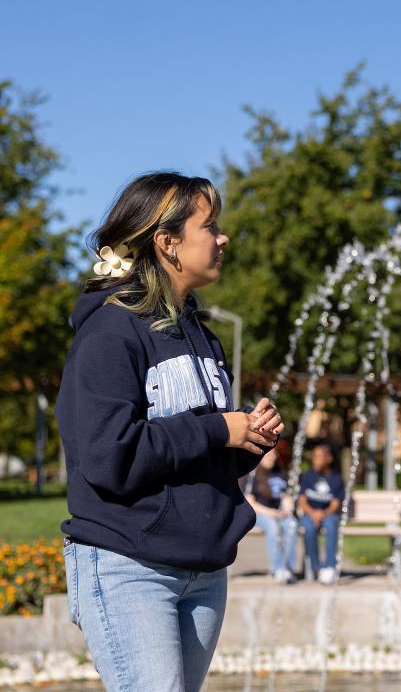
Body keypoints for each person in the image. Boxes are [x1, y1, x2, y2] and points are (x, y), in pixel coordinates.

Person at [56, 172, 284, 692]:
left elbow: (196, 453)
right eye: (211, 227)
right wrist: (215, 429)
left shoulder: (202, 336)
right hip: (129, 565)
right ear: (168, 243)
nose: (223, 239)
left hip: (203, 569)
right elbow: (107, 455)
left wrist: (249, 436)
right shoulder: (110, 332)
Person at [246, 447, 297, 583]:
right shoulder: (252, 474)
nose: (271, 458)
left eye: (273, 455)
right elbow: (250, 502)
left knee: (291, 524)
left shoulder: (278, 472)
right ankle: (277, 568)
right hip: (258, 515)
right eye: (268, 455)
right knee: (272, 526)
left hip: (277, 513)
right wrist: (272, 513)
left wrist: (287, 509)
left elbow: (285, 496)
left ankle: (289, 569)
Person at [298, 442, 345, 584]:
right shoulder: (308, 476)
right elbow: (302, 500)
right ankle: (316, 567)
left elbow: (336, 504)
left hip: (329, 514)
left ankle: (330, 567)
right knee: (308, 528)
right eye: (314, 456)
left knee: (331, 525)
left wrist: (323, 513)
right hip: (310, 514)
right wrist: (313, 513)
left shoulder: (337, 478)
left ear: (329, 459)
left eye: (319, 457)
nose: (315, 460)